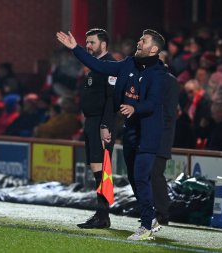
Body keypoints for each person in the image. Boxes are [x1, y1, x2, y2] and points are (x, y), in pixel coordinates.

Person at [57, 29, 166, 240]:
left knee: (142, 176)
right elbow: (100, 65)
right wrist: (75, 48)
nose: (139, 41)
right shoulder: (128, 64)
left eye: (143, 40)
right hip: (131, 131)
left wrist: (136, 109)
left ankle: (146, 227)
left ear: (154, 49)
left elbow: (153, 102)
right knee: (135, 177)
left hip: (149, 132)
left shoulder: (159, 73)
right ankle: (150, 217)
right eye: (140, 38)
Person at [74, 28, 117, 229]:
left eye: (92, 42)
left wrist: (105, 125)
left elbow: (111, 99)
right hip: (92, 122)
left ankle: (103, 215)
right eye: (87, 42)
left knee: (101, 168)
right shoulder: (96, 67)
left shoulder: (110, 66)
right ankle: (101, 214)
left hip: (101, 122)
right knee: (95, 167)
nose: (88, 46)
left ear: (104, 44)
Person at [151, 55, 179, 226]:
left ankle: (162, 212)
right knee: (150, 174)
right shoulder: (156, 79)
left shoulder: (168, 81)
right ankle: (155, 210)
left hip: (161, 135)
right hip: (154, 134)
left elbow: (168, 114)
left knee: (155, 174)